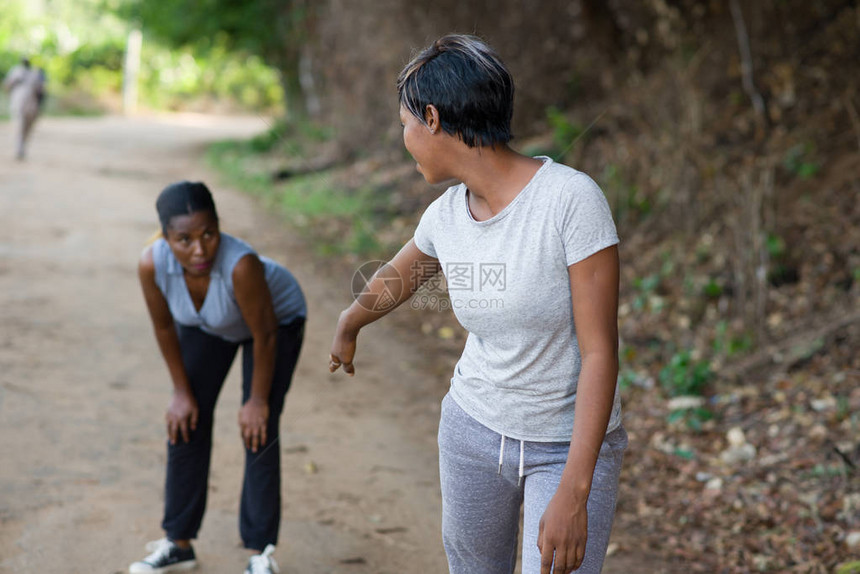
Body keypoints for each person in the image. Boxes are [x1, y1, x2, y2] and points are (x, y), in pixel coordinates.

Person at [329, 35, 627, 574]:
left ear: (434, 119)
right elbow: (400, 276)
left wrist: (574, 490)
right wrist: (352, 321)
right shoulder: (447, 215)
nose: (405, 139)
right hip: (473, 430)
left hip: (567, 447)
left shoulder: (570, 201)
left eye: (405, 125)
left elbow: (600, 352)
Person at [131, 181, 306, 574]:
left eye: (208, 234)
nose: (199, 250)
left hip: (275, 323)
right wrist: (180, 392)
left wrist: (257, 401)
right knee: (185, 420)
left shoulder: (241, 265)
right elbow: (163, 328)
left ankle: (261, 554)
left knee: (257, 429)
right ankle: (178, 543)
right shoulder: (152, 264)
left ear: (219, 227)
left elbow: (264, 334)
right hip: (210, 323)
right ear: (166, 238)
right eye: (184, 239)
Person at [2, 57, 45, 160]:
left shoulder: (35, 73)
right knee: (19, 126)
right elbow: (7, 86)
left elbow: (40, 91)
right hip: (20, 104)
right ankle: (19, 149)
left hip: (30, 105)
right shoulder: (16, 72)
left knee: (26, 128)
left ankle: (22, 147)